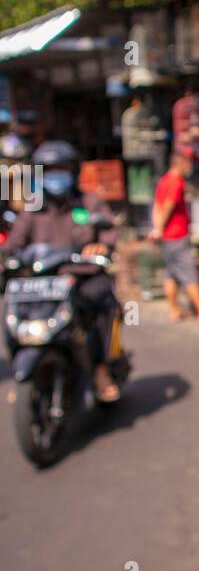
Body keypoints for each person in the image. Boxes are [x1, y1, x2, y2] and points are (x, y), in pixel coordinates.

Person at [5, 140, 121, 401]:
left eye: (62, 168)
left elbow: (108, 234)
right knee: (12, 311)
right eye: (49, 169)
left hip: (82, 277)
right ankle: (22, 371)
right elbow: (15, 242)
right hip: (43, 283)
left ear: (73, 170)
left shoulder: (88, 203)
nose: (56, 175)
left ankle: (101, 370)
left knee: (102, 301)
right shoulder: (33, 207)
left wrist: (101, 246)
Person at [149, 150, 199, 322]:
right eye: (188, 163)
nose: (190, 167)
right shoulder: (176, 182)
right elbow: (167, 207)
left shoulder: (163, 180)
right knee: (189, 275)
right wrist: (159, 228)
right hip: (177, 236)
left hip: (167, 237)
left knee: (171, 274)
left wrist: (156, 228)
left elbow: (157, 206)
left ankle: (174, 311)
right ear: (181, 163)